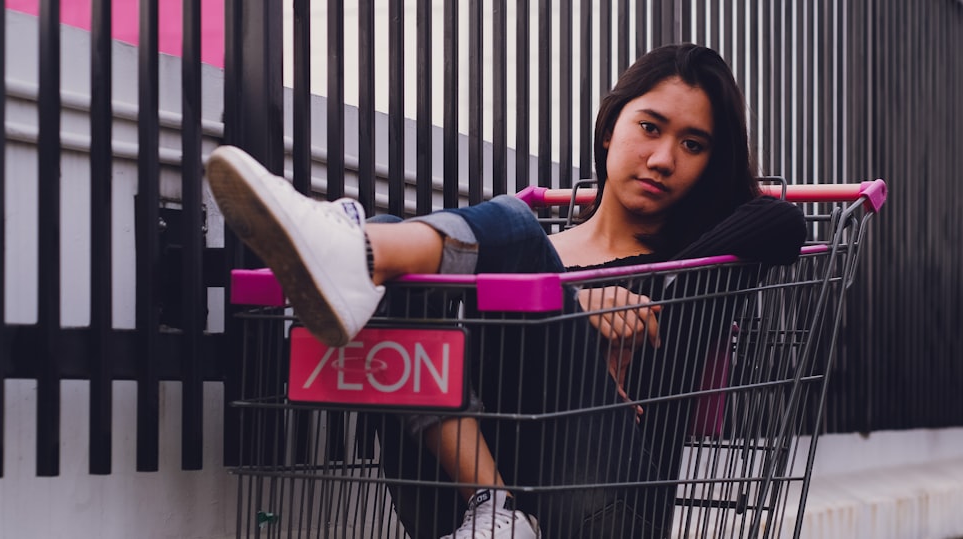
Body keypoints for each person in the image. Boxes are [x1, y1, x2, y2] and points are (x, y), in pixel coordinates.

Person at [206, 43, 807, 538]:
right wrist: (575, 305)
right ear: (610, 129)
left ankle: (355, 249)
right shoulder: (535, 251)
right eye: (649, 127)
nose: (662, 158)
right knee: (409, 266)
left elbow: (781, 223)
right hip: (463, 506)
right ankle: (493, 509)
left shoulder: (692, 267)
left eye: (692, 145)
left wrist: (625, 296)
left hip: (607, 507)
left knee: (508, 234)